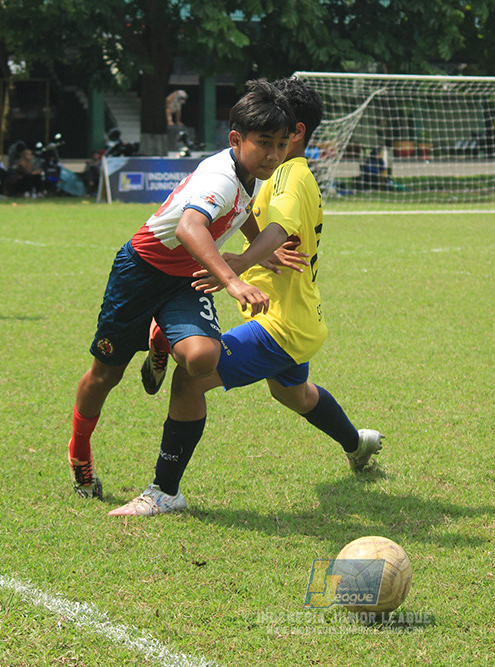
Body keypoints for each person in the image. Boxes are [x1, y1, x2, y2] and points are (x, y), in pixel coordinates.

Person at [114, 77, 383, 517]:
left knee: (190, 380)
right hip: (298, 316)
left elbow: (279, 229)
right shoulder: (273, 171)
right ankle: (358, 442)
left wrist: (235, 268)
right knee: (294, 395)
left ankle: (164, 492)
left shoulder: (292, 176)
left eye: (279, 129)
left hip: (279, 324)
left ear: (294, 131)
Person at [68, 80, 299, 506]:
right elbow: (188, 227)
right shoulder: (220, 176)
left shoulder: (250, 173)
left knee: (202, 357)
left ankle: (162, 336)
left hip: (185, 279)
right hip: (138, 272)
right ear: (236, 139)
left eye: (282, 144)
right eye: (264, 143)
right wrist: (233, 281)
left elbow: (242, 209)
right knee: (106, 375)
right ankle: (79, 452)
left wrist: (256, 250)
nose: (273, 154)